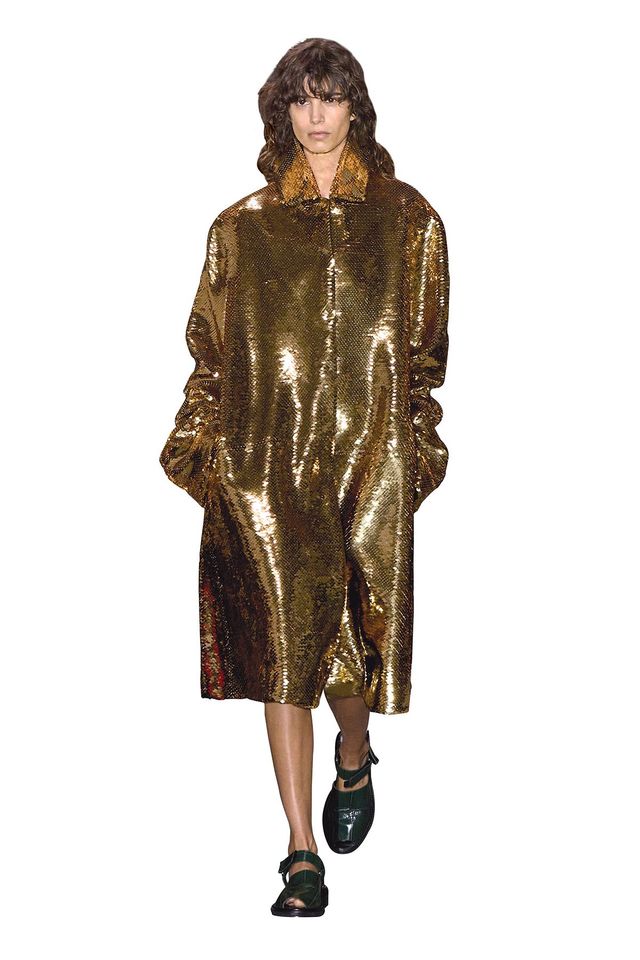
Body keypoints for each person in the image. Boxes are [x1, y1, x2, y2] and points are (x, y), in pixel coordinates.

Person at [159, 37, 450, 917]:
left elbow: (425, 360)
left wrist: (416, 456)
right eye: (300, 99)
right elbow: (210, 358)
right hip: (265, 475)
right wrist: (205, 459)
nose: (316, 116)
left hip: (368, 471)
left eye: (331, 97)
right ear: (280, 110)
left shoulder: (409, 222)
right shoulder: (241, 228)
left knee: (350, 660)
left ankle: (353, 753)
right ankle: (299, 851)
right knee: (285, 654)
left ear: (356, 106)